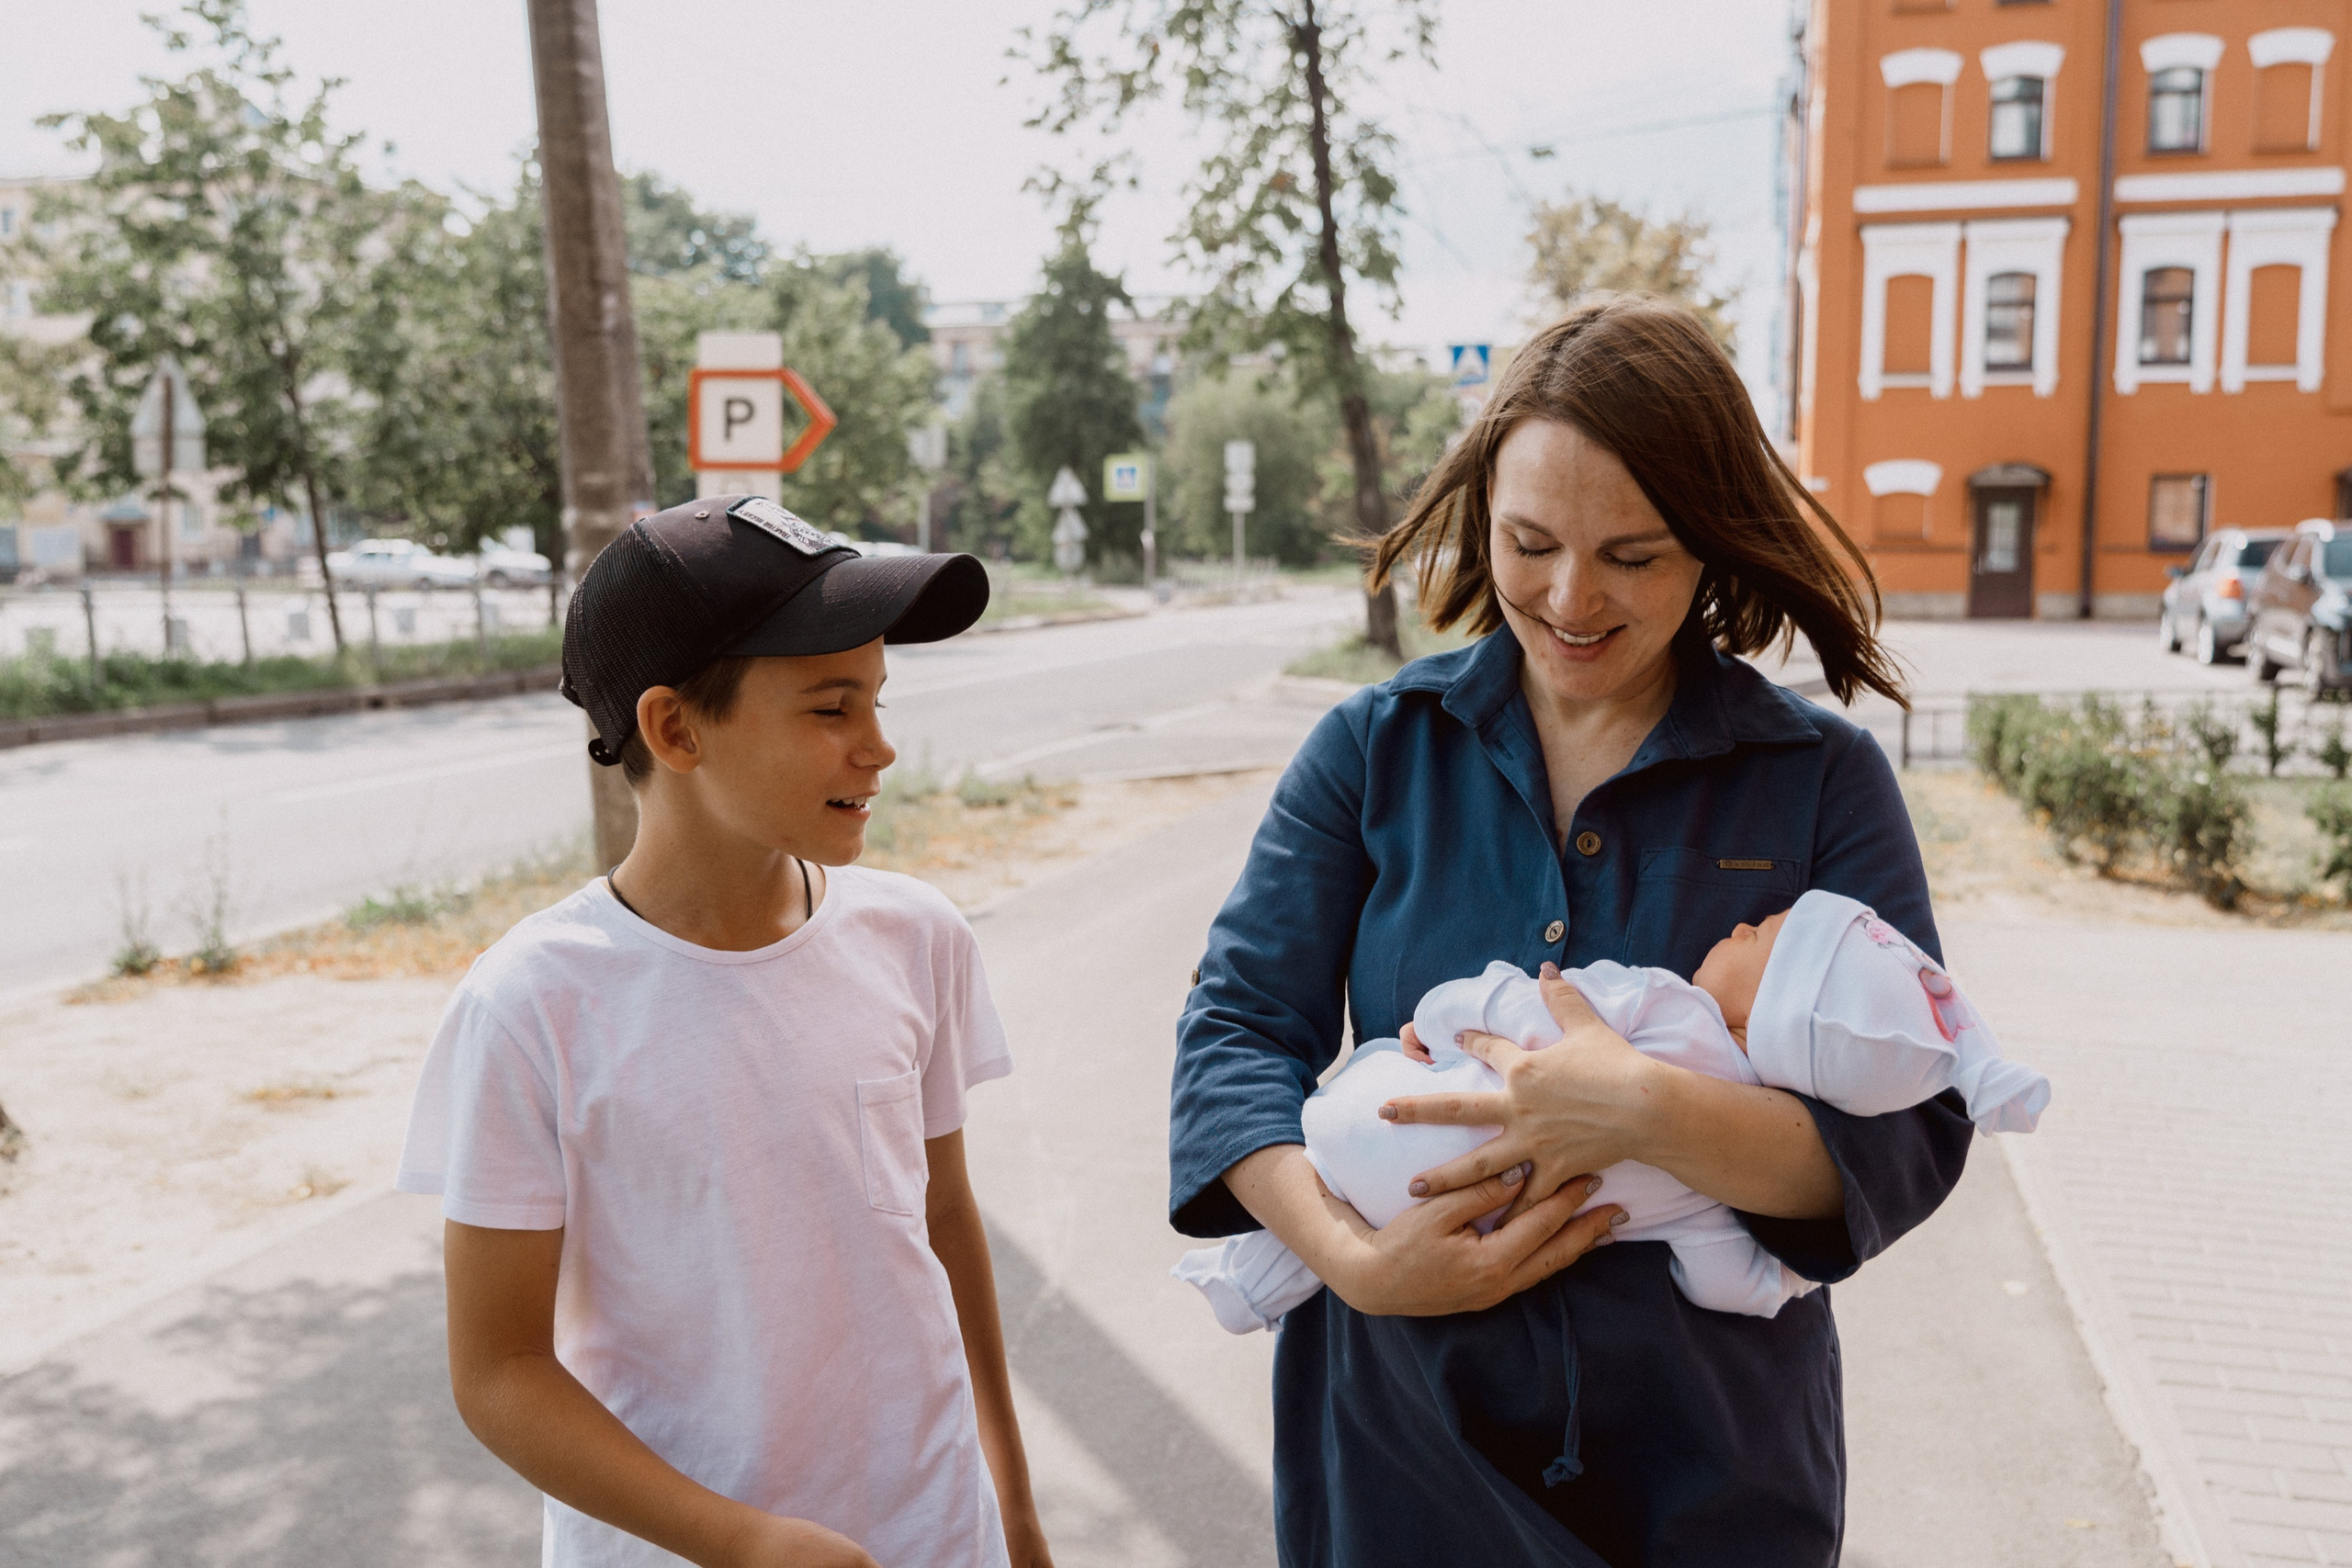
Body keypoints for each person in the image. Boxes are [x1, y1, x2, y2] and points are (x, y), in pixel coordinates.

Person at [1169, 295, 1975, 1566]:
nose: (1570, 597)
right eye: (1529, 541)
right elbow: (1233, 1035)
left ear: (1711, 541)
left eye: (1634, 555)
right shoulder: (1373, 751)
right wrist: (1351, 1258)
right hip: (1397, 1466)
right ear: (1481, 516)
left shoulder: (1819, 778)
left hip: (1708, 1485)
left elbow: (1916, 1130)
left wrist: (1644, 1108)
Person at [396, 496, 1054, 1568]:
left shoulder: (914, 937)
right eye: (831, 708)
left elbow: (941, 1224)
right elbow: (498, 1371)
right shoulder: (532, 1005)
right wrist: (738, 1541)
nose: (880, 748)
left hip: (936, 1535)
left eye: (879, 700)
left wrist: (1012, 1510)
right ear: (675, 728)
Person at [1175, 892, 2049, 1333]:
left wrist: (1440, 1019)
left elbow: (1524, 1004)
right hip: (1463, 1229)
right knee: (1354, 1216)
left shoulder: (1668, 1007)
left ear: (1774, 1010)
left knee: (1346, 1176)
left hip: (1377, 1114)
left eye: (1764, 936)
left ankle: (1250, 1280)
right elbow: (1725, 1284)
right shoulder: (1717, 1188)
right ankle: (1265, 1273)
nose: (1744, 926)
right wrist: (1788, 1279)